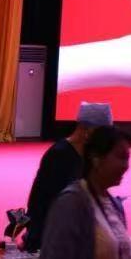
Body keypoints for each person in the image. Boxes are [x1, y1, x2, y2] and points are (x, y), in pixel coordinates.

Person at [23, 102, 113, 252]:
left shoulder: (86, 156)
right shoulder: (60, 155)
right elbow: (41, 204)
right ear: (87, 131)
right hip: (51, 237)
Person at [42, 125, 131, 259]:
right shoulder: (71, 203)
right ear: (96, 159)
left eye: (127, 158)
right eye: (121, 157)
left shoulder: (114, 205)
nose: (126, 166)